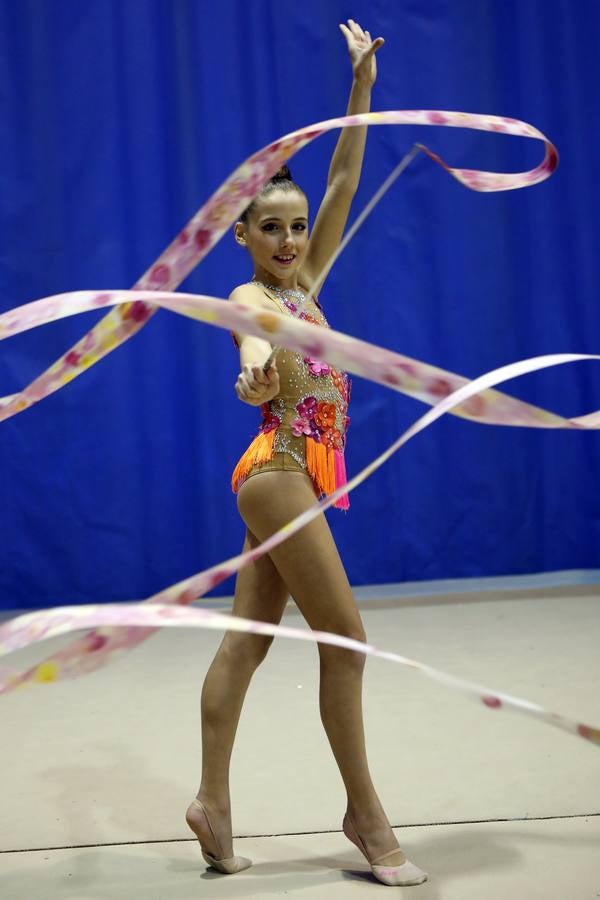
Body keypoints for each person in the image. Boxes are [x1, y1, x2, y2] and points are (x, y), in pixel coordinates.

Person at [186, 20, 427, 887]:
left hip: (293, 480)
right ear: (244, 236)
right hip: (280, 470)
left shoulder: (306, 289)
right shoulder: (251, 294)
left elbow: (344, 179)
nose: (289, 241)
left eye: (296, 228)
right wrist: (253, 375)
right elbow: (253, 344)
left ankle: (212, 805)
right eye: (272, 229)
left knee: (246, 645)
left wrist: (360, 86)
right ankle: (365, 816)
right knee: (347, 639)